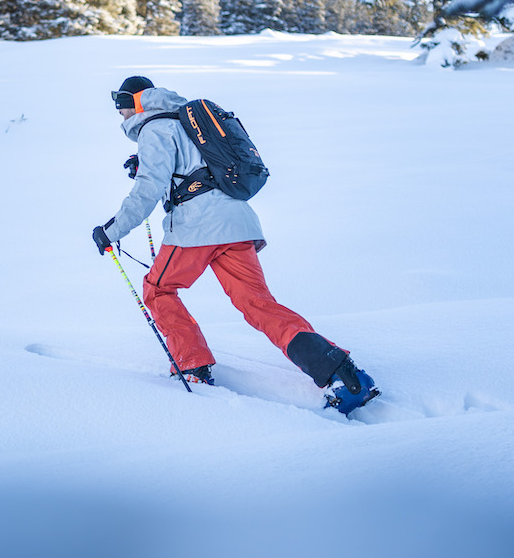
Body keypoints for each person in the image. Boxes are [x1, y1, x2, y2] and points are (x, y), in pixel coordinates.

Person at [92, 75, 378, 413]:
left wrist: (112, 231)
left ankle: (193, 366)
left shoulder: (155, 130)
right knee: (257, 304)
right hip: (237, 222)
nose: (121, 117)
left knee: (158, 289)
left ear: (135, 104)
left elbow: (148, 190)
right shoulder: (185, 120)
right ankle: (344, 374)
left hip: (197, 228)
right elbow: (193, 165)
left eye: (122, 109)